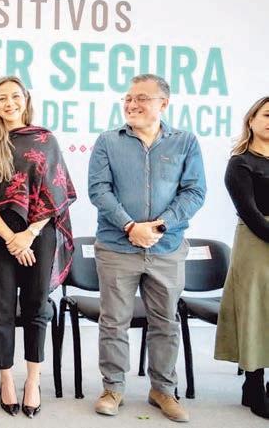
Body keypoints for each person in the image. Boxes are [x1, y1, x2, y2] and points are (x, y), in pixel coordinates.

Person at [88, 74, 206, 423]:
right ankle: (113, 388)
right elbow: (99, 190)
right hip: (116, 247)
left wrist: (160, 225)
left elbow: (194, 191)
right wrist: (130, 227)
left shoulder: (185, 142)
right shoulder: (108, 141)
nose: (132, 104)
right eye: (128, 98)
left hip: (166, 247)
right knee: (114, 321)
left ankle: (163, 390)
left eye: (141, 98)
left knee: (165, 322)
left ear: (163, 104)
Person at [0, 76, 76, 418]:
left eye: (15, 96)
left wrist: (29, 234)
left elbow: (56, 193)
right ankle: (5, 379)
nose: (9, 103)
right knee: (2, 308)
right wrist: (12, 238)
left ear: (26, 100)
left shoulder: (45, 140)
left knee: (36, 306)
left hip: (39, 233)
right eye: (2, 98)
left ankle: (33, 380)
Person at [215, 96, 269, 419]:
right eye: (267, 115)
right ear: (251, 119)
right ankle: (254, 382)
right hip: (255, 241)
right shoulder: (240, 163)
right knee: (255, 311)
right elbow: (249, 211)